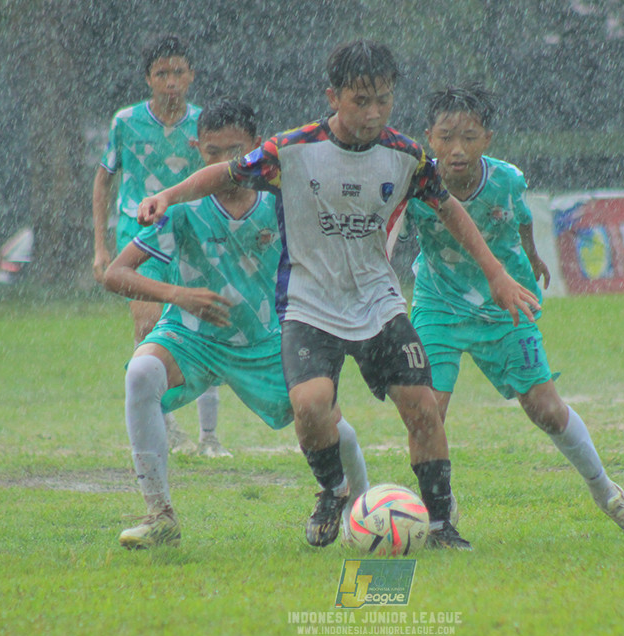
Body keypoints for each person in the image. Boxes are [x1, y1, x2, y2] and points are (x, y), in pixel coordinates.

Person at [137, 40, 539, 550]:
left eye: (384, 101)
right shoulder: (293, 149)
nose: (374, 113)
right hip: (310, 304)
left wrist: (497, 274)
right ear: (333, 96)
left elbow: (449, 210)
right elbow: (226, 172)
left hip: (377, 301)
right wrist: (167, 195)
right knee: (309, 405)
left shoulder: (407, 155)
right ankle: (333, 491)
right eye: (361, 101)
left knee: (422, 409)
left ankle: (440, 525)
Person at [103, 98, 370, 549]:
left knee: (323, 417)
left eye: (234, 150)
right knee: (141, 371)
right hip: (191, 337)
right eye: (211, 151)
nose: (224, 162)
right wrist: (178, 294)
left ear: (255, 149)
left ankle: (362, 507)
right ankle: (160, 515)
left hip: (265, 341)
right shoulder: (181, 209)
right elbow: (115, 273)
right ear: (197, 150)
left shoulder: (283, 206)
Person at [402, 83, 624, 540]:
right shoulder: (414, 182)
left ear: (489, 139)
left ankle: (609, 495)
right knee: (426, 413)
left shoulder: (507, 179)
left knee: (546, 410)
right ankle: (438, 506)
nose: (456, 149)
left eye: (469, 136)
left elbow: (519, 217)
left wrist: (533, 255)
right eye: (445, 136)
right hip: (438, 303)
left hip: (505, 302)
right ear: (428, 137)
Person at [92, 34, 226, 456]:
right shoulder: (126, 121)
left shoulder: (205, 124)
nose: (171, 82)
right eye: (161, 73)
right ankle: (163, 424)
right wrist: (101, 246)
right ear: (148, 78)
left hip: (190, 231)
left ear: (192, 76)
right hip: (139, 234)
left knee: (206, 320)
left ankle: (209, 436)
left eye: (178, 72)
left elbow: (224, 173)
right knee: (148, 324)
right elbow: (103, 179)